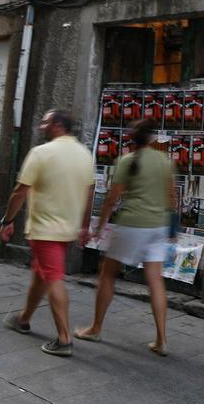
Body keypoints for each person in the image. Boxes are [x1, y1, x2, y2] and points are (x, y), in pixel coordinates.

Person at [75, 118, 176, 356]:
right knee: (155, 280)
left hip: (132, 224)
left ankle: (96, 328)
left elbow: (112, 200)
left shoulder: (126, 161)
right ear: (152, 138)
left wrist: (99, 228)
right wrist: (171, 230)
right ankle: (161, 339)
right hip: (158, 226)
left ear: (132, 140)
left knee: (107, 273)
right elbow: (172, 198)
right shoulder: (165, 161)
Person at [0, 109, 95, 357]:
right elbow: (89, 192)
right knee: (41, 274)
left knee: (53, 278)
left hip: (46, 229)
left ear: (57, 125)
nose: (41, 127)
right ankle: (23, 318)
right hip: (68, 228)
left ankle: (64, 338)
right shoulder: (85, 154)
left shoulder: (41, 153)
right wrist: (84, 225)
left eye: (45, 123)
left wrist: (7, 220)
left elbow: (20, 191)